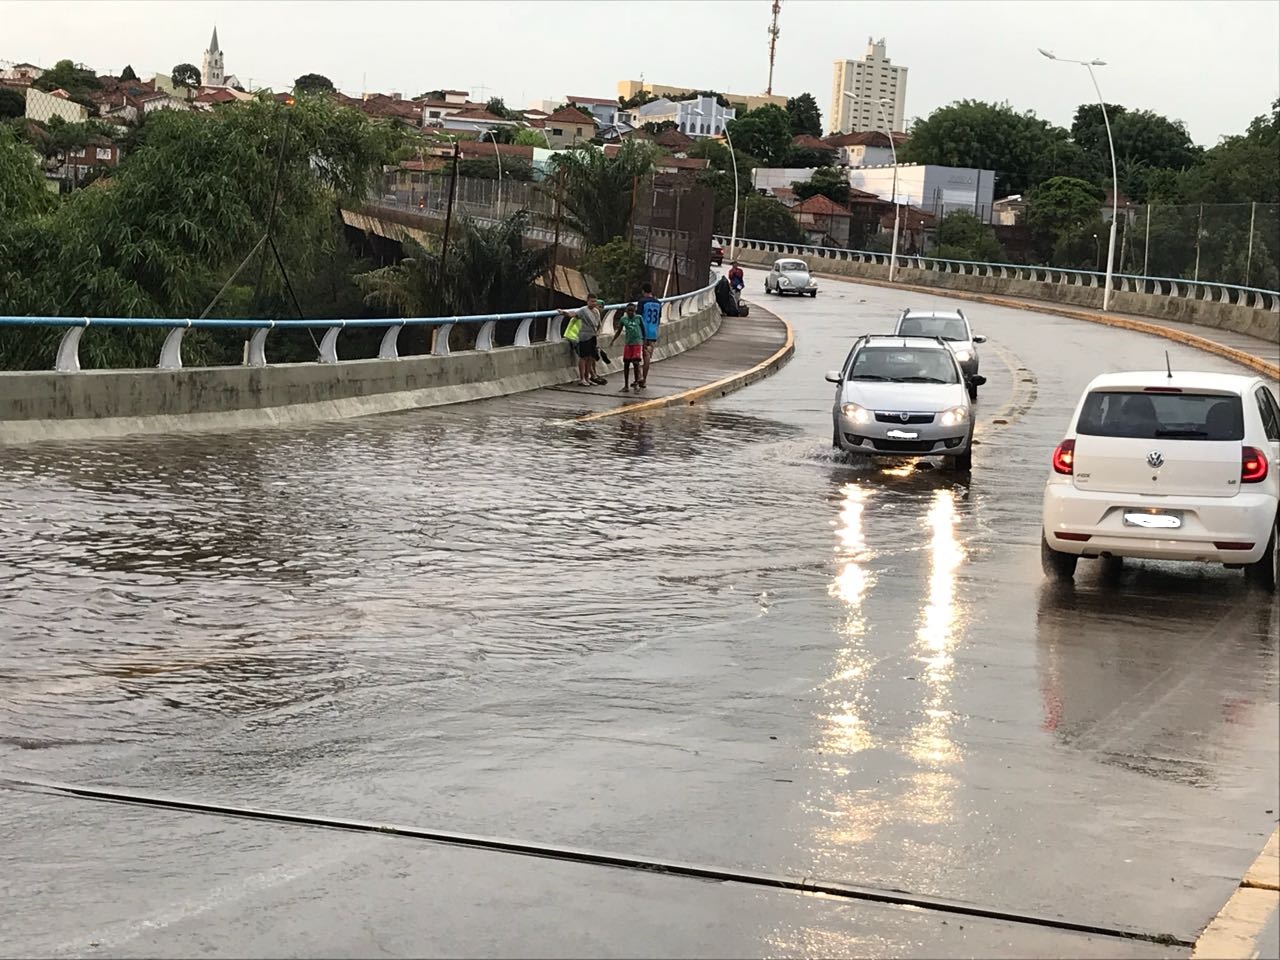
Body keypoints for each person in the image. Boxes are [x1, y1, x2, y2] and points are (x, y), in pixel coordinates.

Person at [559, 294, 606, 386]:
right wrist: (563, 312)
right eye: (592, 301)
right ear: (587, 301)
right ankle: (582, 378)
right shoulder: (583, 310)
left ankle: (588, 377)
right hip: (584, 337)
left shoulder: (596, 311)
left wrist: (598, 332)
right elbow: (573, 314)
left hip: (593, 336)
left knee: (590, 357)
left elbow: (598, 324)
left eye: (595, 301)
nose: (593, 303)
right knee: (583, 357)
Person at [611, 302, 644, 392]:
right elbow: (619, 330)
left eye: (632, 311)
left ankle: (636, 382)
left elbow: (643, 329)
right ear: (626, 311)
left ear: (635, 310)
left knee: (636, 363)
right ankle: (626, 385)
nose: (630, 313)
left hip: (637, 343)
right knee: (626, 363)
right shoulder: (623, 319)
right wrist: (613, 340)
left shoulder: (638, 318)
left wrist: (644, 341)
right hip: (628, 343)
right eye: (629, 311)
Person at [636, 282, 662, 389]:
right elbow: (659, 319)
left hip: (642, 332)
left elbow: (638, 317)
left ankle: (639, 376)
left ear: (643, 291)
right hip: (653, 333)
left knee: (636, 356)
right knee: (647, 357)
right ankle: (644, 380)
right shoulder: (658, 303)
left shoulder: (642, 302)